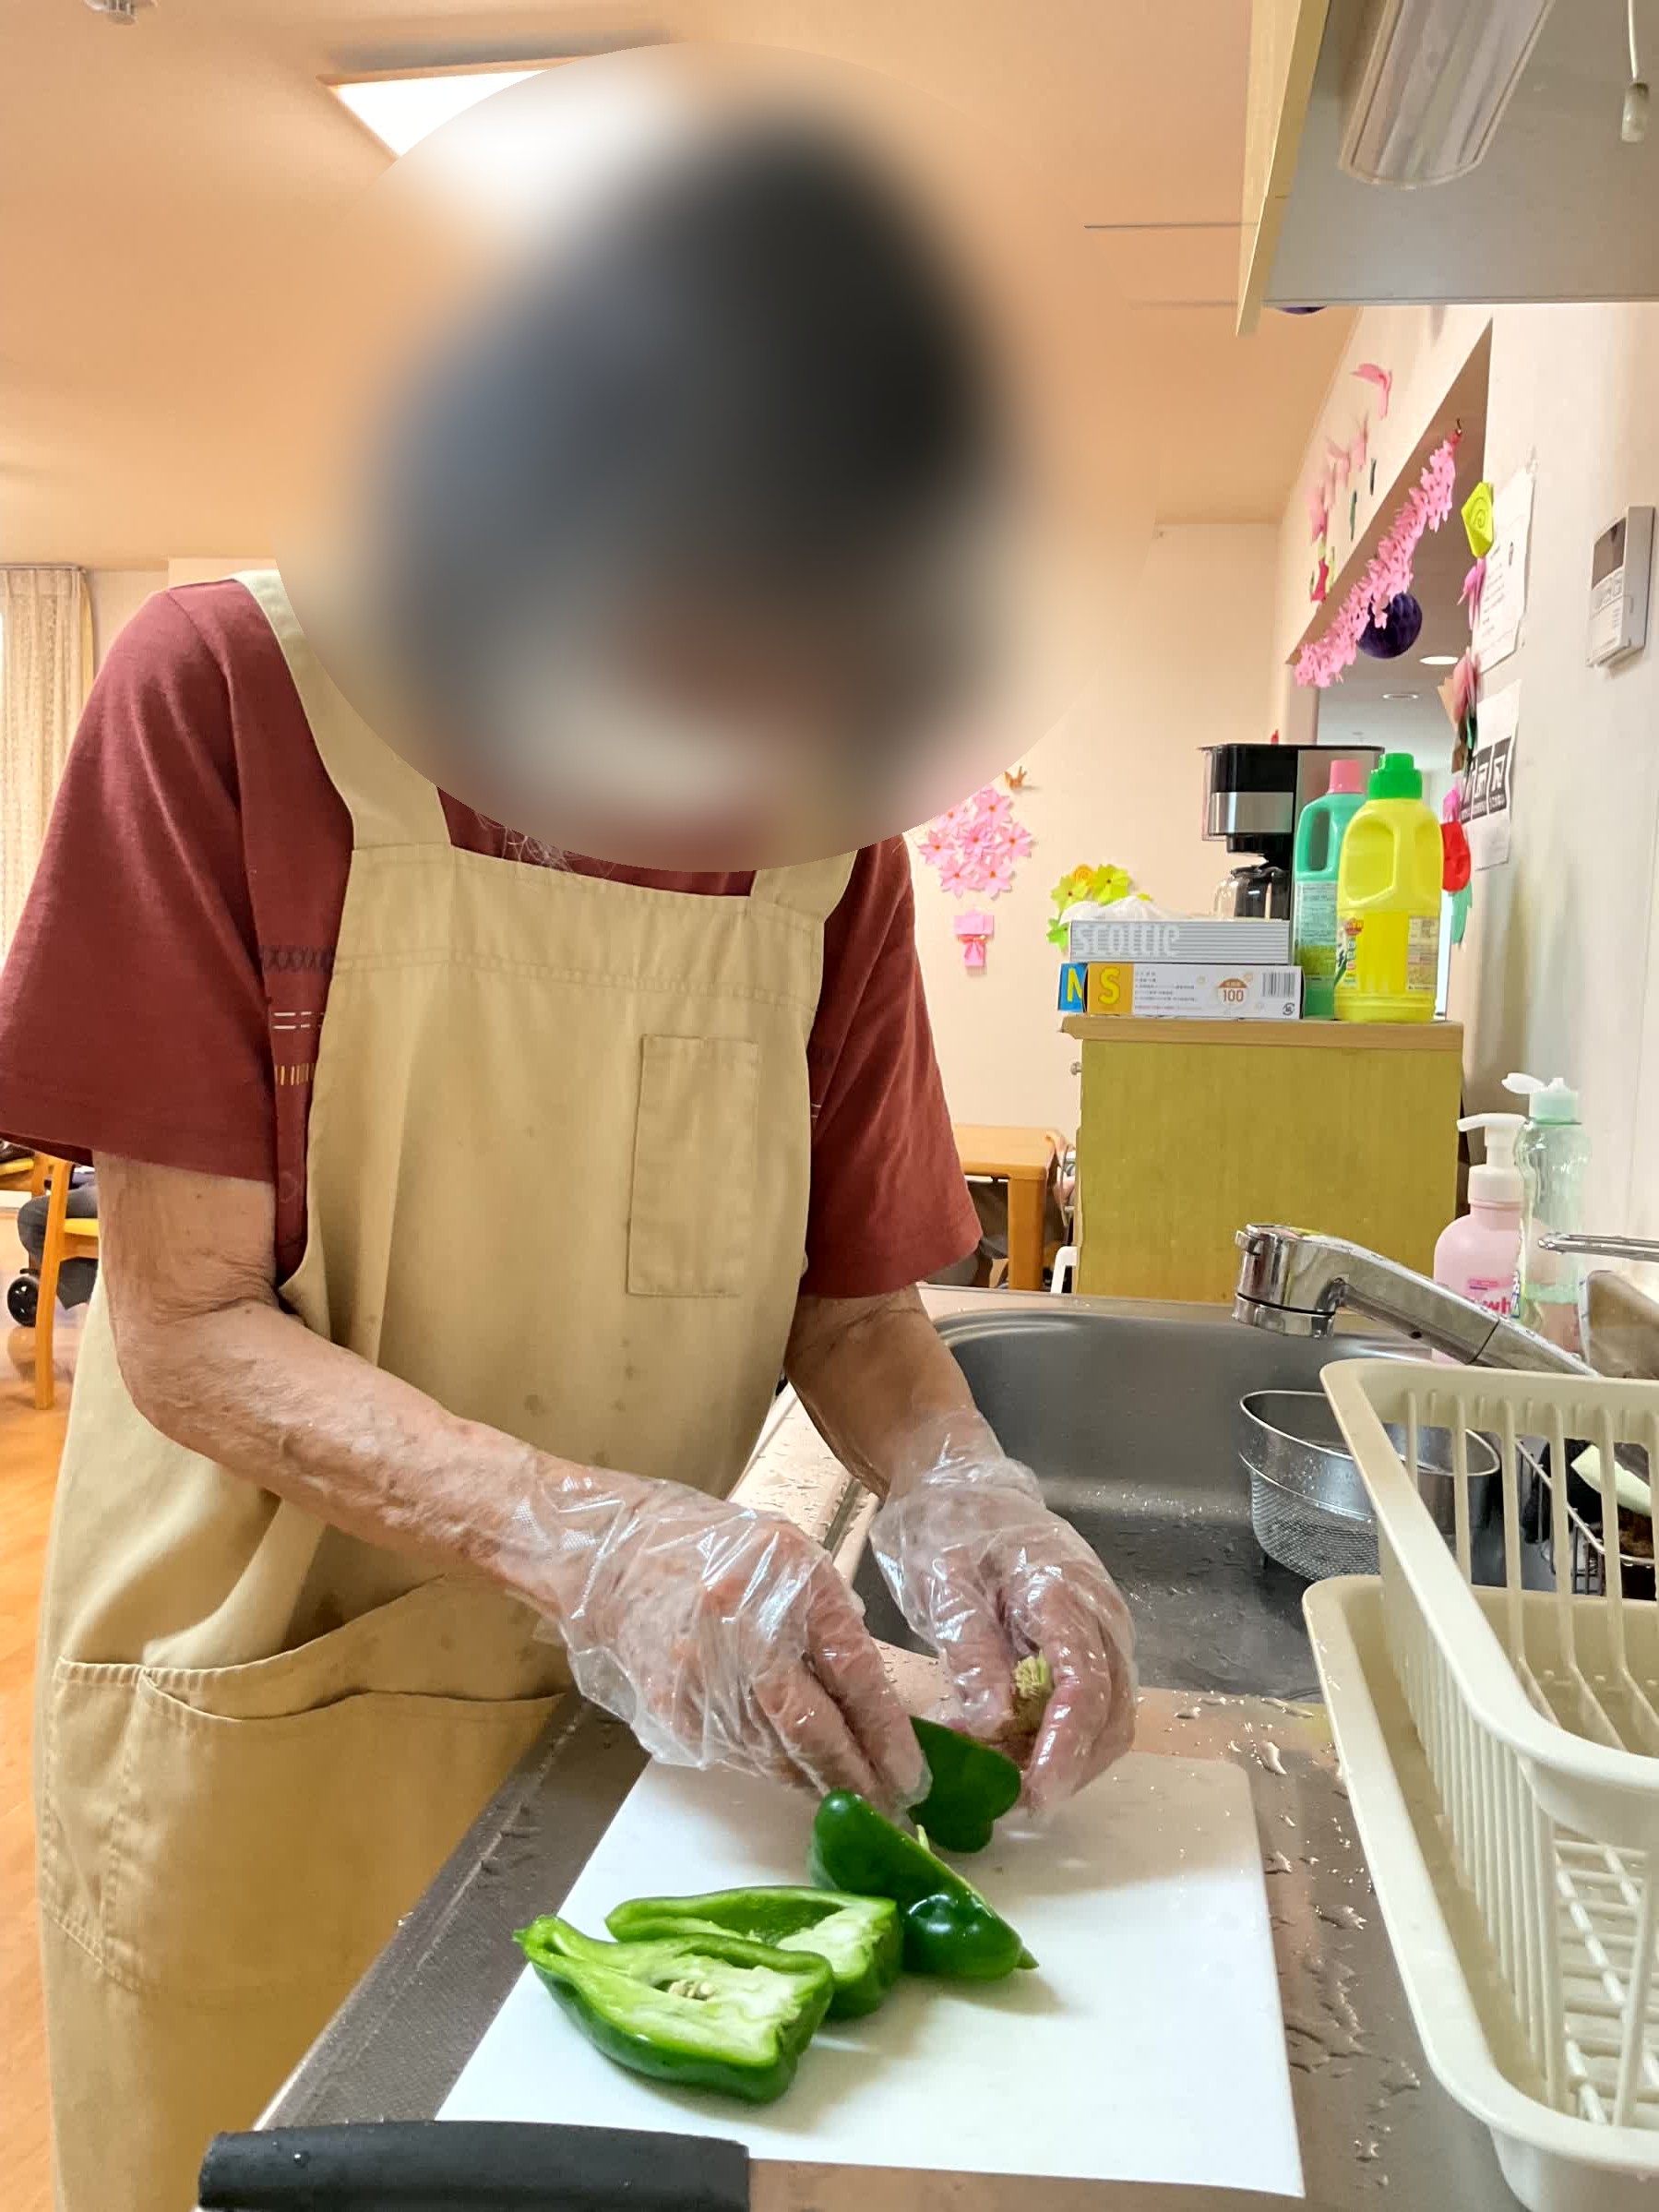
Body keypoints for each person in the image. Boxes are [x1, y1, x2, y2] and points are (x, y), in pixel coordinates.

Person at [0, 122, 1134, 2212]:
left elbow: (849, 1307)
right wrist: (577, 1531)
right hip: (269, 1689)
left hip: (642, 1707)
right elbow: (181, 1321)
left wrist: (963, 1483)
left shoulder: (823, 814)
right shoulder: (232, 696)